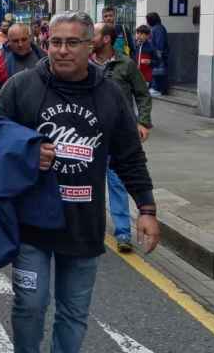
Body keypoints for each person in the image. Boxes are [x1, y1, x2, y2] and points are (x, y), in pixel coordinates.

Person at [0, 11, 160, 353]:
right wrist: (25, 153)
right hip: (31, 224)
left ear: (90, 46)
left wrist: (147, 208)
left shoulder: (110, 95)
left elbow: (129, 157)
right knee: (30, 306)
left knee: (73, 312)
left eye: (72, 43)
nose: (62, 50)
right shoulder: (22, 87)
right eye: (55, 43)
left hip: (83, 225)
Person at [91, 22, 153, 253]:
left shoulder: (125, 65)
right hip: (89, 135)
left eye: (94, 35)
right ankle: (92, 229)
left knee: (117, 183)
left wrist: (143, 122)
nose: (89, 38)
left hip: (118, 135)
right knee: (90, 184)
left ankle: (123, 233)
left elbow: (143, 95)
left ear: (106, 39)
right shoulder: (83, 63)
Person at [0, 23, 45, 94]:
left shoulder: (43, 57)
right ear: (9, 41)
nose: (20, 44)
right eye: (15, 41)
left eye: (24, 40)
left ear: (30, 38)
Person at [146, 12, 170, 95]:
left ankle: (157, 88)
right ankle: (156, 88)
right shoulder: (157, 28)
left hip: (159, 55)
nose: (147, 22)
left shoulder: (158, 29)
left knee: (158, 72)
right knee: (157, 72)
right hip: (158, 54)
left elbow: (160, 44)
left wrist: (157, 54)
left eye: (148, 20)